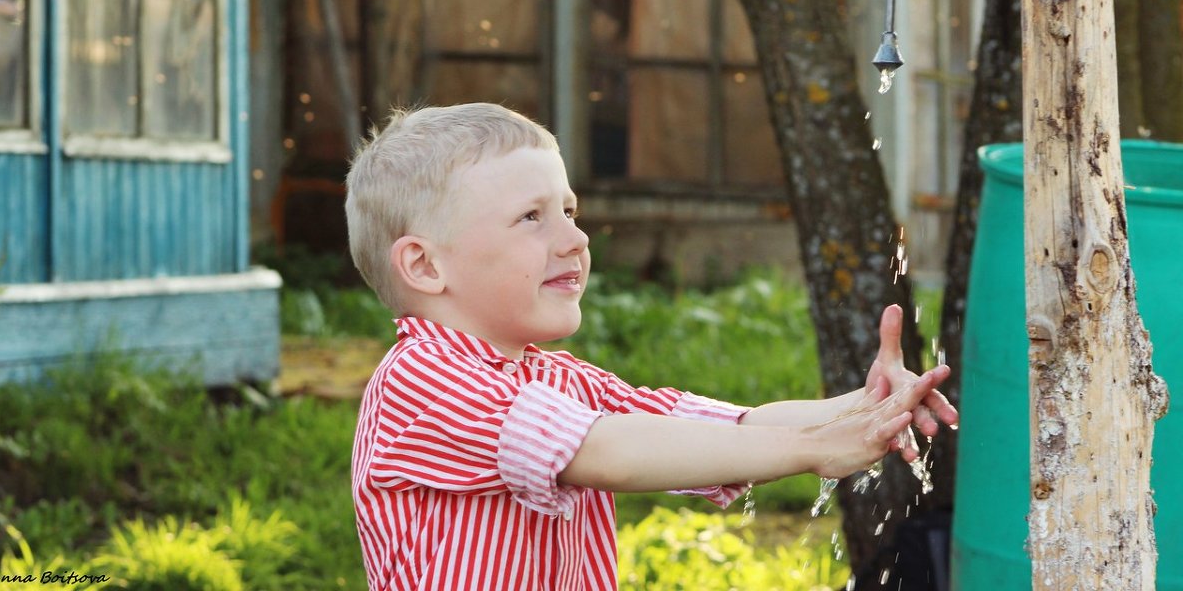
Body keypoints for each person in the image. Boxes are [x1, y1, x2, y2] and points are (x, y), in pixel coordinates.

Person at [345, 102, 956, 591]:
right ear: (424, 265)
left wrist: (865, 408)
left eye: (568, 210)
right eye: (532, 218)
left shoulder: (560, 381)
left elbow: (727, 425)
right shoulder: (422, 382)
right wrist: (813, 449)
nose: (575, 238)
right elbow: (615, 453)